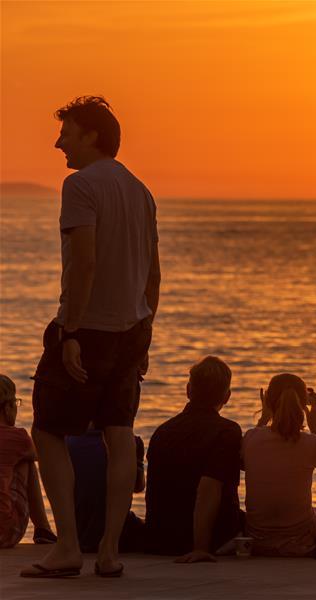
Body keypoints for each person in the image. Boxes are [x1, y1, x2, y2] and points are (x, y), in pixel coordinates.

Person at [22, 95, 159, 579]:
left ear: (92, 136)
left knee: (47, 431)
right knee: (118, 437)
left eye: (68, 132)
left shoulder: (79, 185)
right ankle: (109, 552)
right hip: (133, 329)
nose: (59, 142)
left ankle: (67, 547)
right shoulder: (141, 191)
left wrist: (71, 330)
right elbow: (153, 272)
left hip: (90, 327)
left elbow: (84, 262)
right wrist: (146, 332)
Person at [143, 356, 242, 563]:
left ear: (188, 390)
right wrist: (201, 548)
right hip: (209, 538)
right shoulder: (227, 431)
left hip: (160, 539)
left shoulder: (163, 431)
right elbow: (208, 488)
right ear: (227, 396)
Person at [242, 374, 316, 557]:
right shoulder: (312, 443)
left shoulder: (251, 438)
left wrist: (263, 419)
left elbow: (244, 462)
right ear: (303, 405)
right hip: (300, 539)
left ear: (269, 402)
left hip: (257, 537)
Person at [66, 427, 146, 553]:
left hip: (78, 534)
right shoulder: (131, 442)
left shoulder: (68, 441)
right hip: (118, 534)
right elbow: (138, 487)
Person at [1, 375, 56, 548]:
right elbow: (44, 455)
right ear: (7, 407)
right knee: (26, 461)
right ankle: (43, 529)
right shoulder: (18, 438)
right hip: (5, 532)